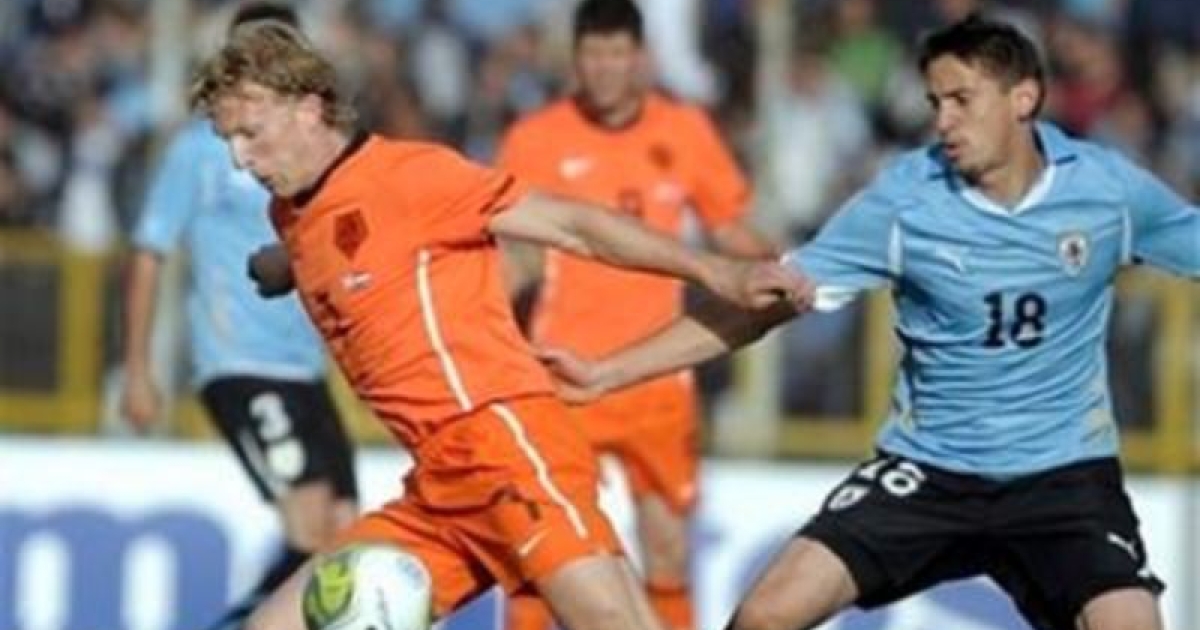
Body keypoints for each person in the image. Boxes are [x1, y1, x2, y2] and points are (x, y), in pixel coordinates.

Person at [536, 15, 1198, 630]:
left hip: (1064, 477)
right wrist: (608, 372)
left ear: (1023, 98)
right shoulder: (906, 200)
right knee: (765, 615)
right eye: (935, 102)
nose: (943, 121)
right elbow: (762, 305)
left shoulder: (1108, 191)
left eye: (961, 100)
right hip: (929, 473)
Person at [187, 22, 810, 630]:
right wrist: (284, 264)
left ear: (307, 108)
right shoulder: (291, 211)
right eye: (228, 140)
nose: (241, 159)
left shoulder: (412, 176)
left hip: (503, 445)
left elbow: (574, 226)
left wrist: (715, 272)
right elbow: (339, 239)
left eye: (250, 134)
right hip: (438, 487)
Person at [496, 2, 776, 629]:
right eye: (593, 54)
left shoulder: (685, 130)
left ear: (641, 58)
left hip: (658, 378)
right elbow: (511, 254)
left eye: (617, 54)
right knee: (541, 553)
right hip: (563, 375)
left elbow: (730, 227)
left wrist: (785, 266)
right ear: (575, 60)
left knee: (668, 549)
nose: (604, 69)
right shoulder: (534, 139)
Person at [119, 5, 358, 630]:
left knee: (344, 535)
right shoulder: (202, 152)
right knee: (310, 524)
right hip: (240, 364)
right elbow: (149, 250)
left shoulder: (314, 151)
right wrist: (139, 370)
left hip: (305, 368)